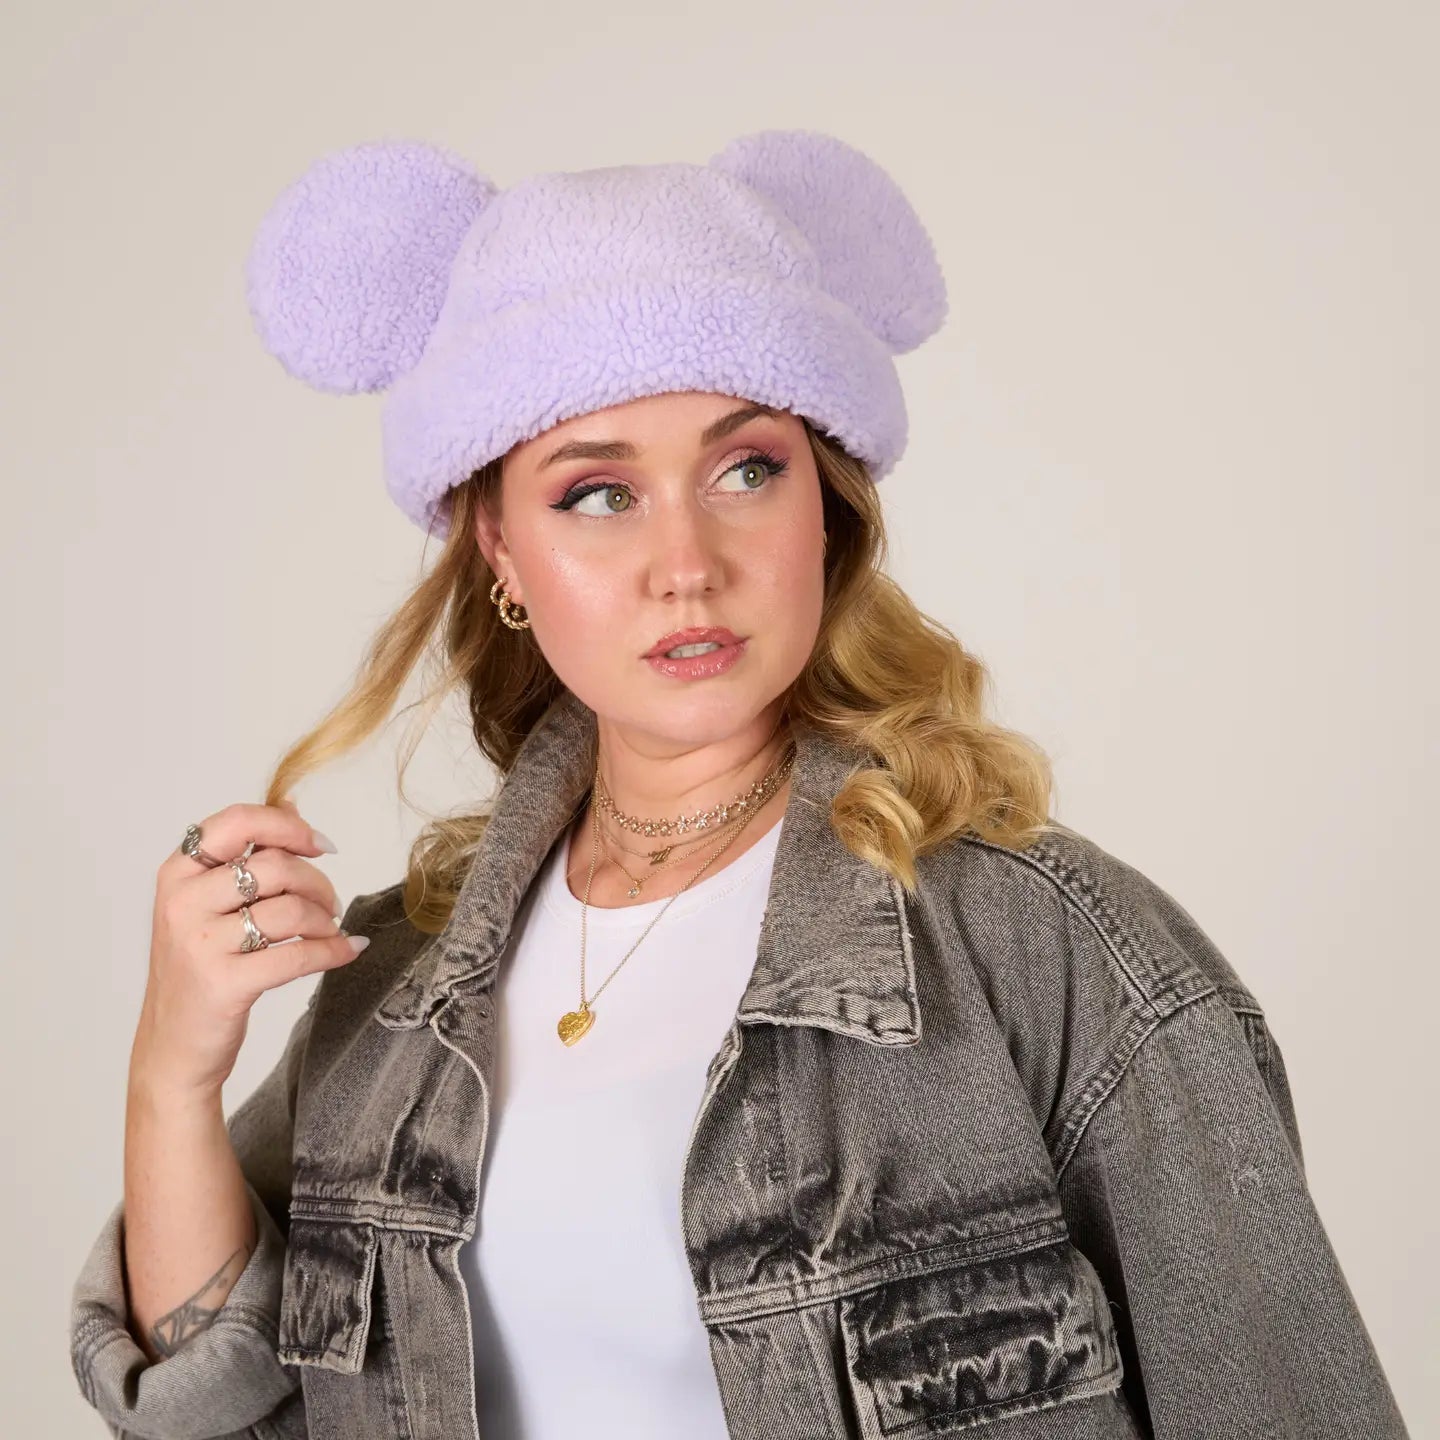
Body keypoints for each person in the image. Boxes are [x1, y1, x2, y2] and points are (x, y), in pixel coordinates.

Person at [69, 130, 1409, 1440]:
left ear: (823, 507)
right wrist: (169, 1080)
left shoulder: (1046, 948)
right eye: (597, 493)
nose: (687, 561)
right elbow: (210, 1406)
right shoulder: (393, 993)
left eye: (747, 468)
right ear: (499, 552)